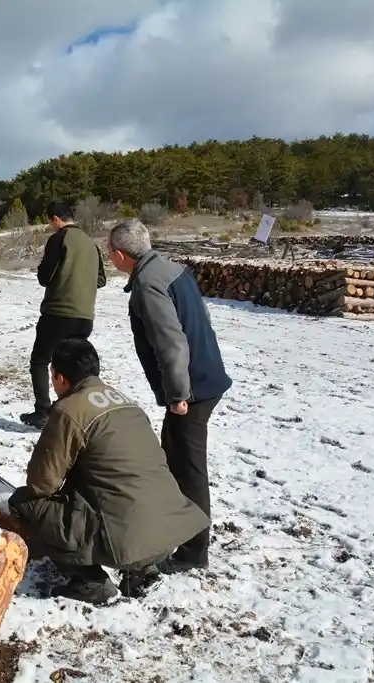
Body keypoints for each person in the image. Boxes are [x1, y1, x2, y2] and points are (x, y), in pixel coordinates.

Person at [8, 338, 209, 604]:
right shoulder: (127, 403)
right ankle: (142, 569)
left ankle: (89, 580)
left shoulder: (69, 410)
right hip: (167, 530)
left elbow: (41, 485)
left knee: (24, 502)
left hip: (126, 534)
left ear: (58, 377)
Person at [106, 219, 233, 574]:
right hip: (204, 378)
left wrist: (178, 395)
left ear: (119, 254)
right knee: (176, 459)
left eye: (109, 252)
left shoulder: (148, 284)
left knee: (187, 468)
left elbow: (170, 342)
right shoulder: (173, 269)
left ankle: (194, 551)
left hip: (192, 389)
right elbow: (201, 318)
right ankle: (179, 532)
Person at [21, 200, 107, 430]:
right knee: (75, 366)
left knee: (40, 361)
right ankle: (76, 414)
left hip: (58, 312)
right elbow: (102, 280)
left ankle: (43, 412)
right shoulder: (91, 243)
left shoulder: (59, 238)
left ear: (56, 219)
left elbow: (44, 277)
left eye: (50, 222)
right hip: (85, 315)